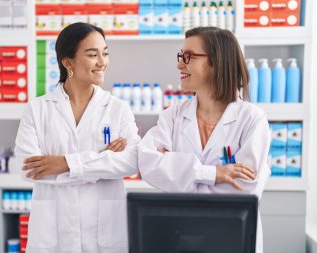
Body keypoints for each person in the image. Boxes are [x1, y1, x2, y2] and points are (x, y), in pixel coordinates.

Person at [137, 27, 271, 253]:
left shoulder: (251, 119)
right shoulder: (172, 116)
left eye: (188, 57)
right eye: (181, 56)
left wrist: (178, 172)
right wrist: (214, 174)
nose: (180, 64)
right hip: (178, 236)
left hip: (230, 237)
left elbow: (244, 189)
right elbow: (149, 165)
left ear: (217, 61)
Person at [14, 22, 140, 253]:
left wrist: (64, 164)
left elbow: (130, 162)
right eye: (93, 54)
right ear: (68, 62)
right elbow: (28, 168)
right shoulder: (39, 109)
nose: (102, 62)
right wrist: (102, 162)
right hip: (53, 237)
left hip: (103, 237)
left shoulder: (117, 108)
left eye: (105, 53)